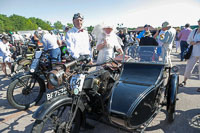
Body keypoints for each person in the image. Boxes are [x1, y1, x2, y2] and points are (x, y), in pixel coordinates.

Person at [179, 19, 200, 92]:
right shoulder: (194, 31)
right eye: (199, 22)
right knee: (188, 68)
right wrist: (192, 42)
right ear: (198, 23)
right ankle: (184, 81)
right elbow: (188, 40)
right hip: (193, 53)